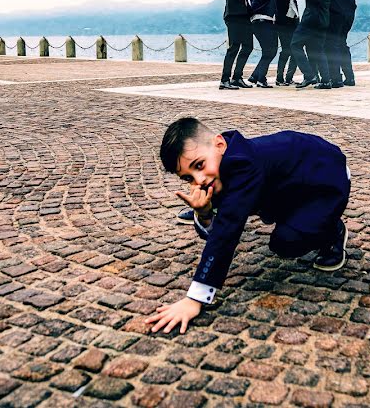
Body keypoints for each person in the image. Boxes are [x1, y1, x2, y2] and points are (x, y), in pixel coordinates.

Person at [147, 117, 351, 334]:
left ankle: (332, 230)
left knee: (286, 242)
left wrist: (195, 298)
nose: (199, 180)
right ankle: (294, 214)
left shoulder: (241, 164)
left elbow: (227, 231)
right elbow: (219, 223)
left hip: (326, 176)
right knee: (255, 211)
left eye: (199, 165)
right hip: (288, 183)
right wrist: (204, 213)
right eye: (188, 178)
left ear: (219, 144)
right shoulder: (218, 164)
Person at [303, 0, 360, 87]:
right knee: (341, 43)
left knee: (331, 43)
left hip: (337, 10)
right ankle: (349, 77)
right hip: (349, 9)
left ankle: (335, 79)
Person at [216, 0, 264, 90]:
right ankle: (224, 80)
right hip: (234, 16)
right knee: (234, 48)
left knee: (248, 47)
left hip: (244, 15)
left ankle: (237, 78)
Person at [288, 0, 337, 88]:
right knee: (318, 50)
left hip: (311, 20)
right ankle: (326, 81)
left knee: (295, 45)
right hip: (323, 19)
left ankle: (309, 76)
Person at [246, 0, 282, 87]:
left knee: (270, 51)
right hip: (261, 21)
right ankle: (261, 79)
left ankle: (255, 76)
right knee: (269, 51)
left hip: (269, 22)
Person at [274, 0, 302, 86]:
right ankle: (279, 77)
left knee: (296, 48)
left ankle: (289, 77)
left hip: (294, 19)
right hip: (283, 21)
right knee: (286, 50)